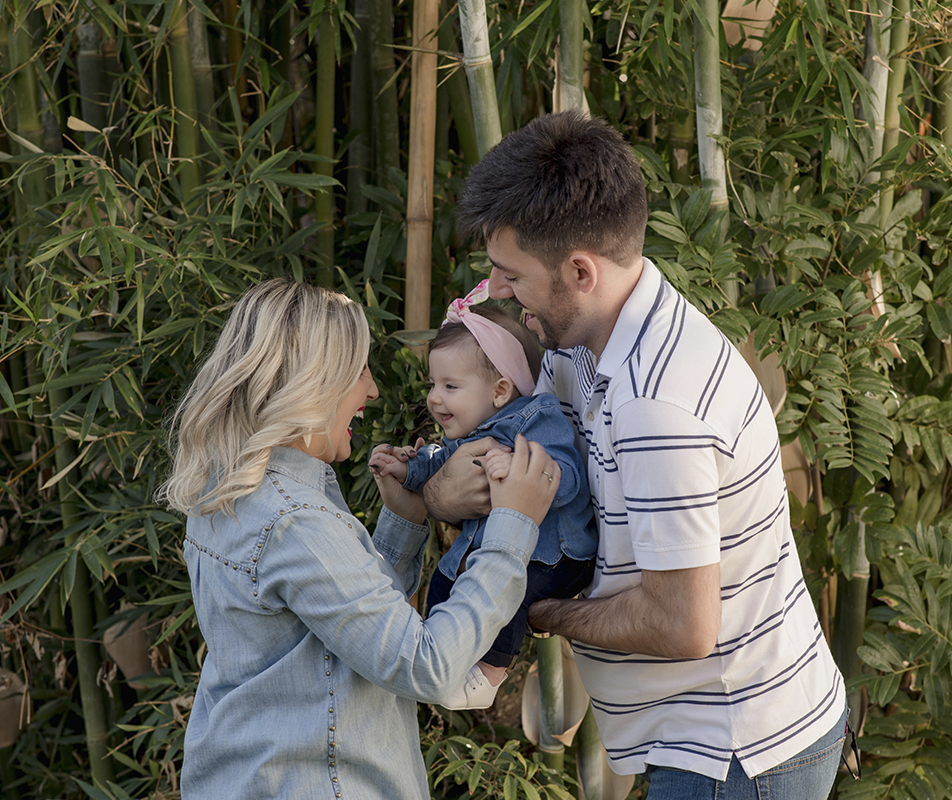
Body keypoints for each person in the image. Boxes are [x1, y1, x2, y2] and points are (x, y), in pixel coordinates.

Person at [422, 111, 847, 798]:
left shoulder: (658, 408)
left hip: (735, 749)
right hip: (726, 729)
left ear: (581, 270)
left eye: (510, 274)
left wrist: (528, 604)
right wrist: (442, 492)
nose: (497, 291)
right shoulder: (590, 342)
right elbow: (488, 449)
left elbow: (682, 625)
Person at [158, 279, 562, 800]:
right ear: (314, 381)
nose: (371, 390)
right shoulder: (294, 520)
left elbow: (349, 632)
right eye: (360, 370)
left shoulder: (229, 489)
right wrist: (513, 523)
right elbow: (427, 665)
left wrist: (405, 521)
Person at [370, 281, 597, 710]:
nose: (435, 399)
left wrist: (520, 469)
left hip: (553, 556)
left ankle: (491, 675)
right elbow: (441, 466)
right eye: (433, 384)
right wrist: (408, 469)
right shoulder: (472, 430)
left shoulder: (536, 418)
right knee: (445, 582)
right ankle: (446, 660)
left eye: (450, 386)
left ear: (499, 390)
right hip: (495, 549)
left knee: (509, 591)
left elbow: (568, 476)